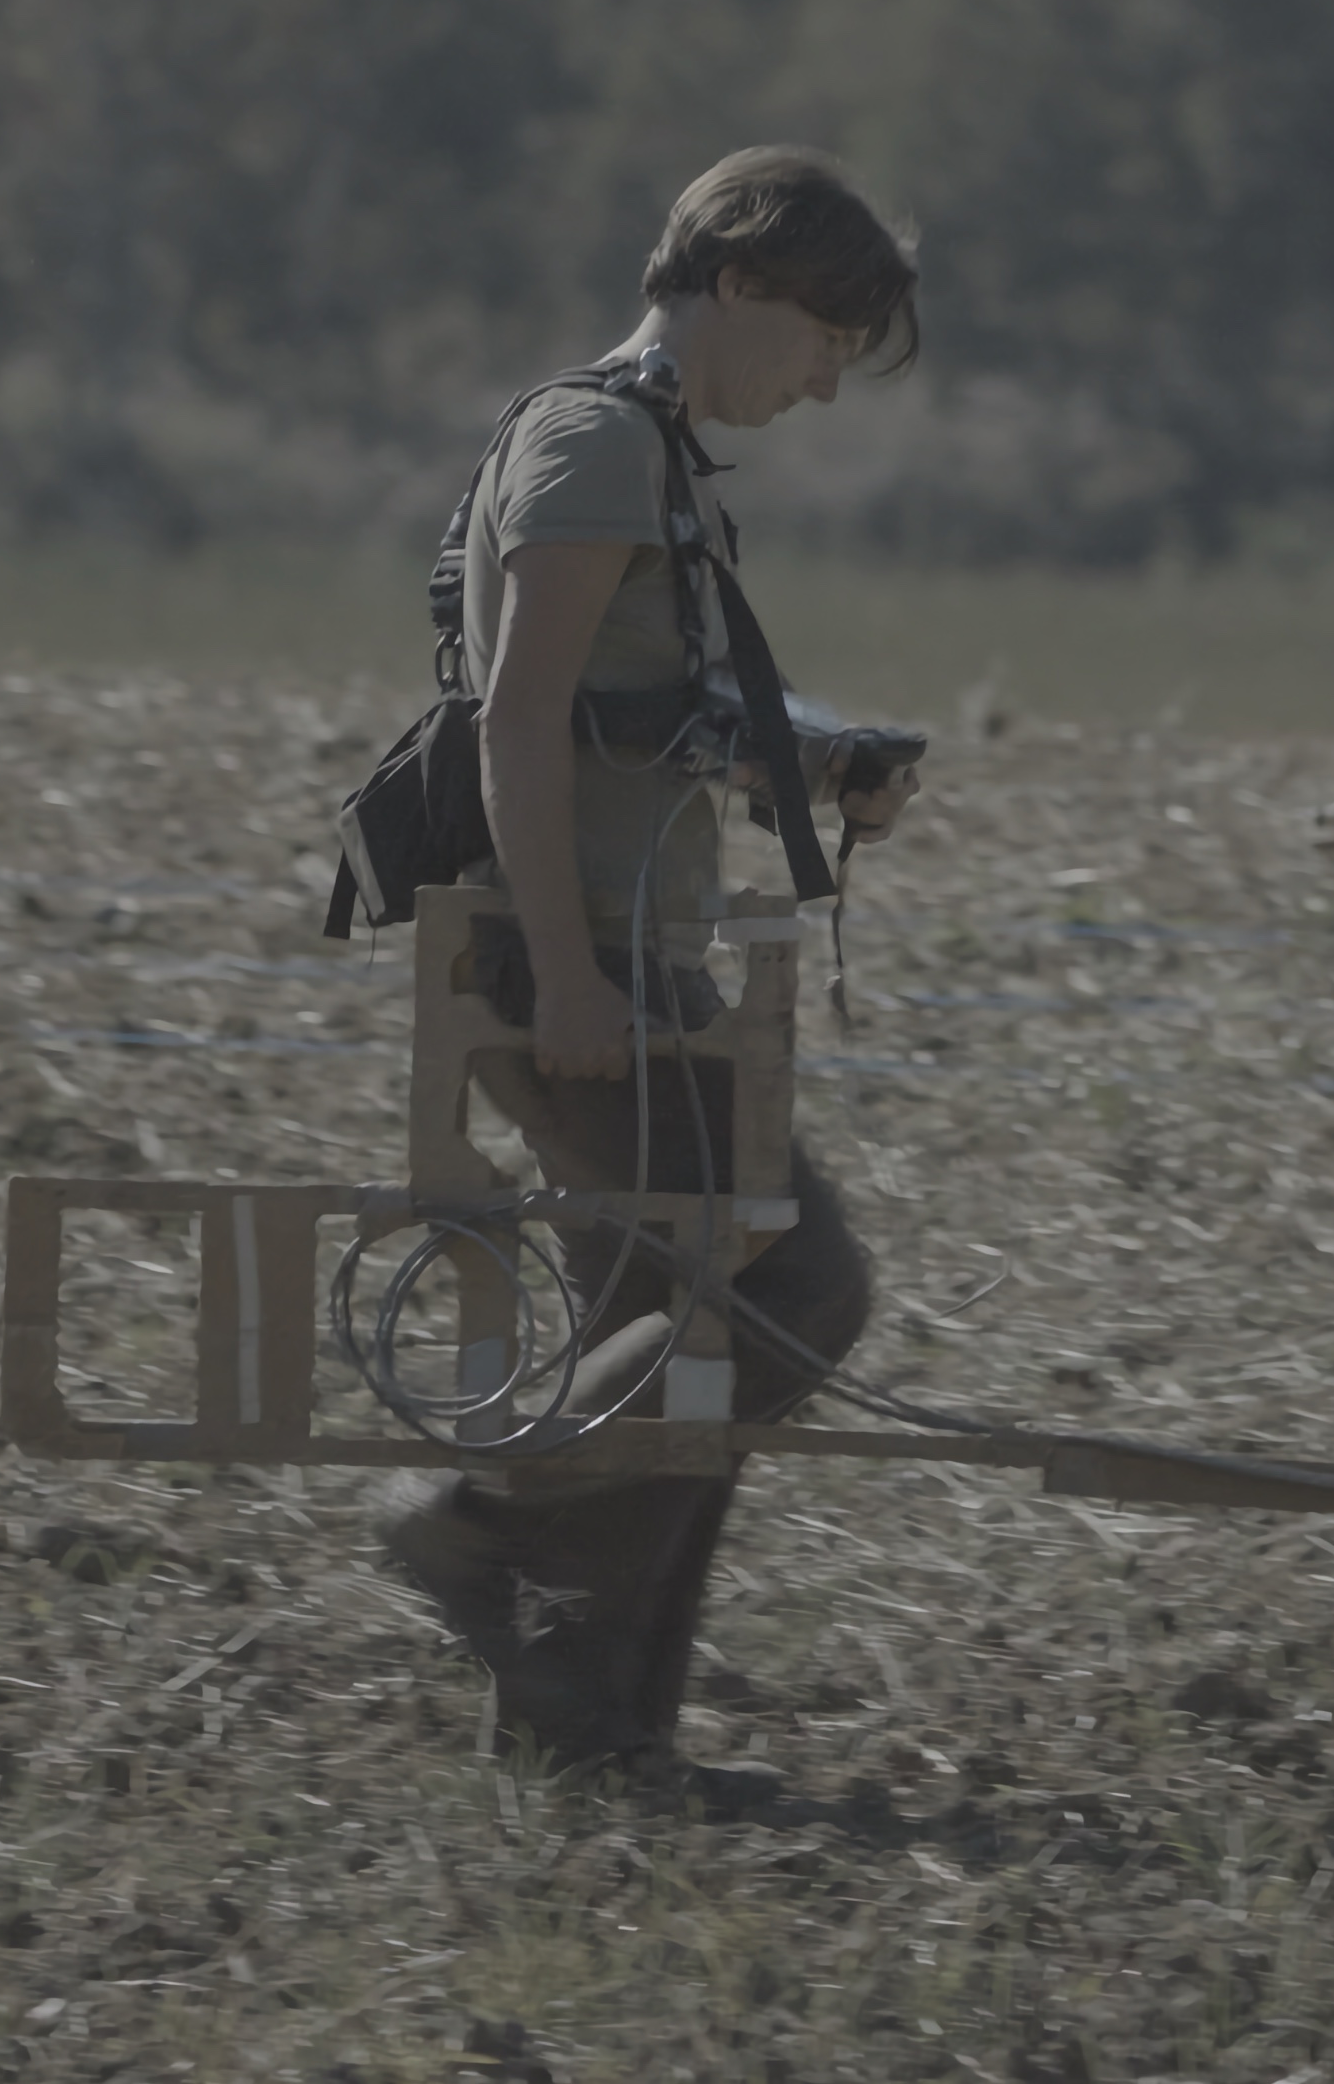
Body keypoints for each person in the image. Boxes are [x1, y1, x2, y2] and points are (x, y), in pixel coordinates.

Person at [370, 146, 927, 1784]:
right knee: (789, 1283)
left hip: (612, 957)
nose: (825, 387)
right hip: (566, 963)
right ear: (741, 286)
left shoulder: (647, 458)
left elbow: (635, 721)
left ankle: (589, 1743)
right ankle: (478, 1526)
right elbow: (521, 721)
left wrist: (814, 762)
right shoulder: (596, 445)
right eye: (825, 341)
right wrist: (567, 971)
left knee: (681, 1344)